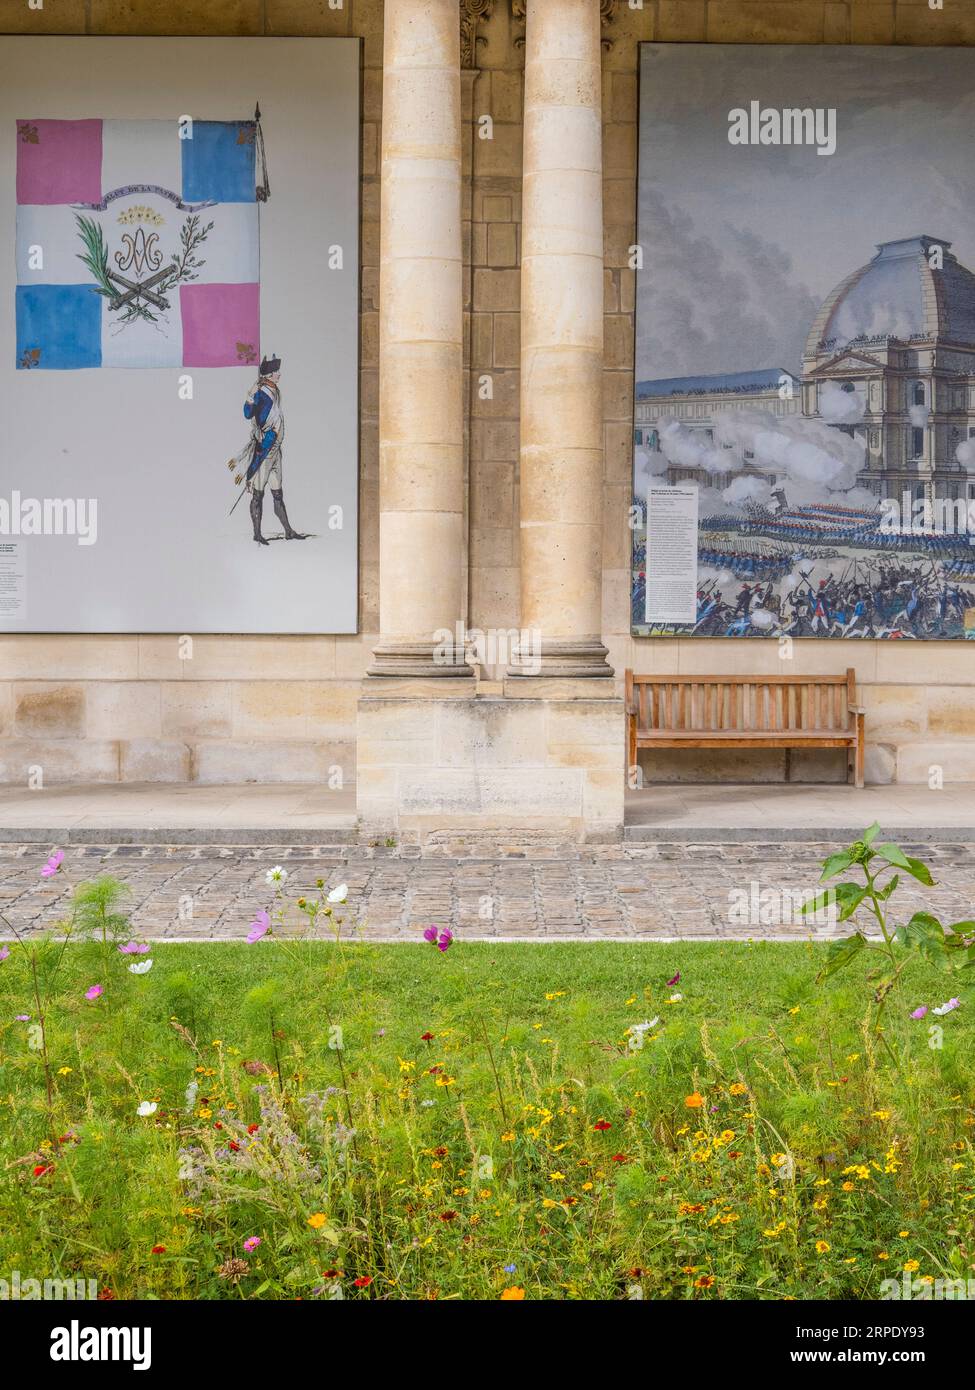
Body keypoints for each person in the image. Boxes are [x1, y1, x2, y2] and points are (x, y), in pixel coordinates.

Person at [229, 353, 307, 545]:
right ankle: (257, 534)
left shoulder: (276, 391)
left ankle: (288, 531)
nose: (279, 374)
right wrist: (250, 395)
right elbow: (248, 414)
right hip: (264, 449)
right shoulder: (261, 392)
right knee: (258, 494)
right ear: (269, 375)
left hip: (275, 449)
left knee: (278, 494)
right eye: (276, 371)